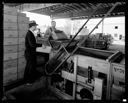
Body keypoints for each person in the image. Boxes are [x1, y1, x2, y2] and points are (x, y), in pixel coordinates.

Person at [24, 20, 41, 85]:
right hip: (30, 53)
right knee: (30, 67)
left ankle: (28, 80)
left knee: (29, 66)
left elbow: (32, 43)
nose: (36, 27)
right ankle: (28, 81)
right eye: (35, 26)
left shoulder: (30, 33)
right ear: (32, 26)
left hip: (30, 53)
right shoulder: (29, 33)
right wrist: (41, 45)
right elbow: (32, 44)